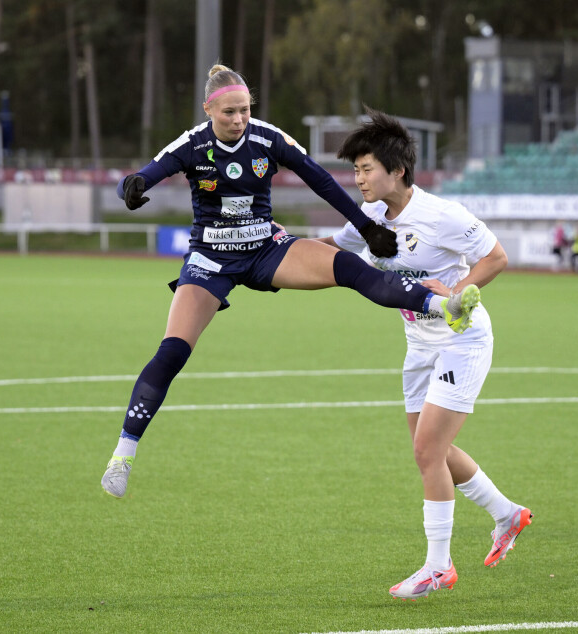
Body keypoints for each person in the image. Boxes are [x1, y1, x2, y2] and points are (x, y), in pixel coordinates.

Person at [99, 66, 481, 498]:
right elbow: (144, 175)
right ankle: (123, 454)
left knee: (348, 268)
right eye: (229, 112)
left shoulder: (267, 137)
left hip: (266, 248)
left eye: (245, 110)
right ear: (208, 110)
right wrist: (131, 188)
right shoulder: (192, 144)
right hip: (211, 260)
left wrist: (365, 226)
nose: (240, 119)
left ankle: (442, 306)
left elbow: (319, 180)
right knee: (172, 352)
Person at [317, 108, 531, 600]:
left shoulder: (441, 216)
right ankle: (507, 514)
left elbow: (495, 257)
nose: (359, 179)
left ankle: (439, 566)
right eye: (356, 170)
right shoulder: (369, 215)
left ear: (397, 171)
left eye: (367, 169)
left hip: (463, 338)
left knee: (426, 451)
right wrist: (279, 245)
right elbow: (335, 246)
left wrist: (456, 290)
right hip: (418, 345)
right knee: (432, 450)